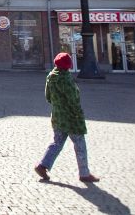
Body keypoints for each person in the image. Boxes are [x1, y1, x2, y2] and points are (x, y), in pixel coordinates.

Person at [34, 52, 100, 183]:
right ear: (68, 65)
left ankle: (42, 165)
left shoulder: (51, 77)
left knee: (57, 143)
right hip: (71, 118)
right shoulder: (66, 79)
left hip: (57, 116)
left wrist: (57, 105)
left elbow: (48, 97)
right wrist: (78, 114)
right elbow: (73, 100)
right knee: (80, 144)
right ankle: (84, 173)